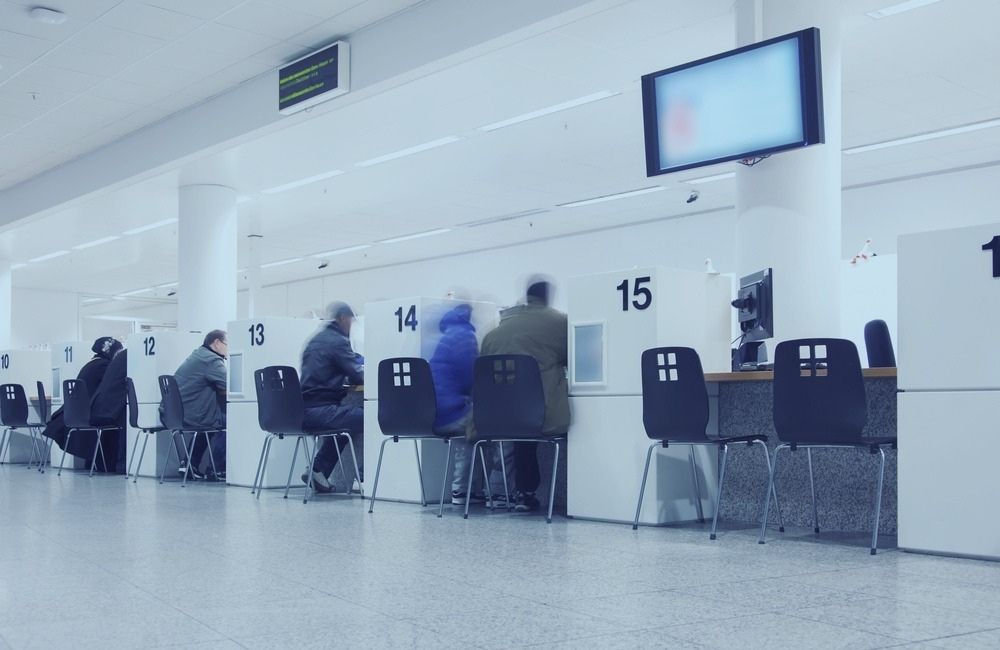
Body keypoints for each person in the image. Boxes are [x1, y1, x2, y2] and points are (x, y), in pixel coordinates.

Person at [480, 279, 569, 512]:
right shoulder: (558, 322)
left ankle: (519, 493)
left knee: (522, 436)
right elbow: (573, 357)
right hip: (542, 411)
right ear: (548, 298)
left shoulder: (495, 331)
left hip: (498, 416)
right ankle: (575, 497)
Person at [428, 302, 496, 505]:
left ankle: (465, 490)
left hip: (433, 412)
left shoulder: (443, 337)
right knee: (493, 426)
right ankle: (496, 492)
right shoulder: (464, 336)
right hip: (453, 412)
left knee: (470, 427)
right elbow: (471, 376)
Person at [300, 301, 364, 493]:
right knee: (366, 417)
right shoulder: (337, 341)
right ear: (343, 318)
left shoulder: (315, 339)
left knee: (346, 420)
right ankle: (366, 479)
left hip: (304, 410)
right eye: (351, 321)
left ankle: (318, 470)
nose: (351, 326)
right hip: (321, 411)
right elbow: (357, 375)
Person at [41, 337, 124, 468]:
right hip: (89, 414)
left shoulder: (90, 364)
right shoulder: (104, 366)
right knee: (117, 418)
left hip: (72, 414)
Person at [169, 330, 228, 480]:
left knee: (212, 422)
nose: (229, 349)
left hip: (177, 414)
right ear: (217, 343)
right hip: (193, 415)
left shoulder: (198, 355)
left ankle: (189, 464)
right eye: (228, 345)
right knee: (228, 423)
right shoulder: (212, 360)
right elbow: (231, 386)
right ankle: (217, 469)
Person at [90, 347, 128, 473]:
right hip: (110, 412)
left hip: (95, 409)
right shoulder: (103, 364)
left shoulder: (116, 360)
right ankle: (122, 464)